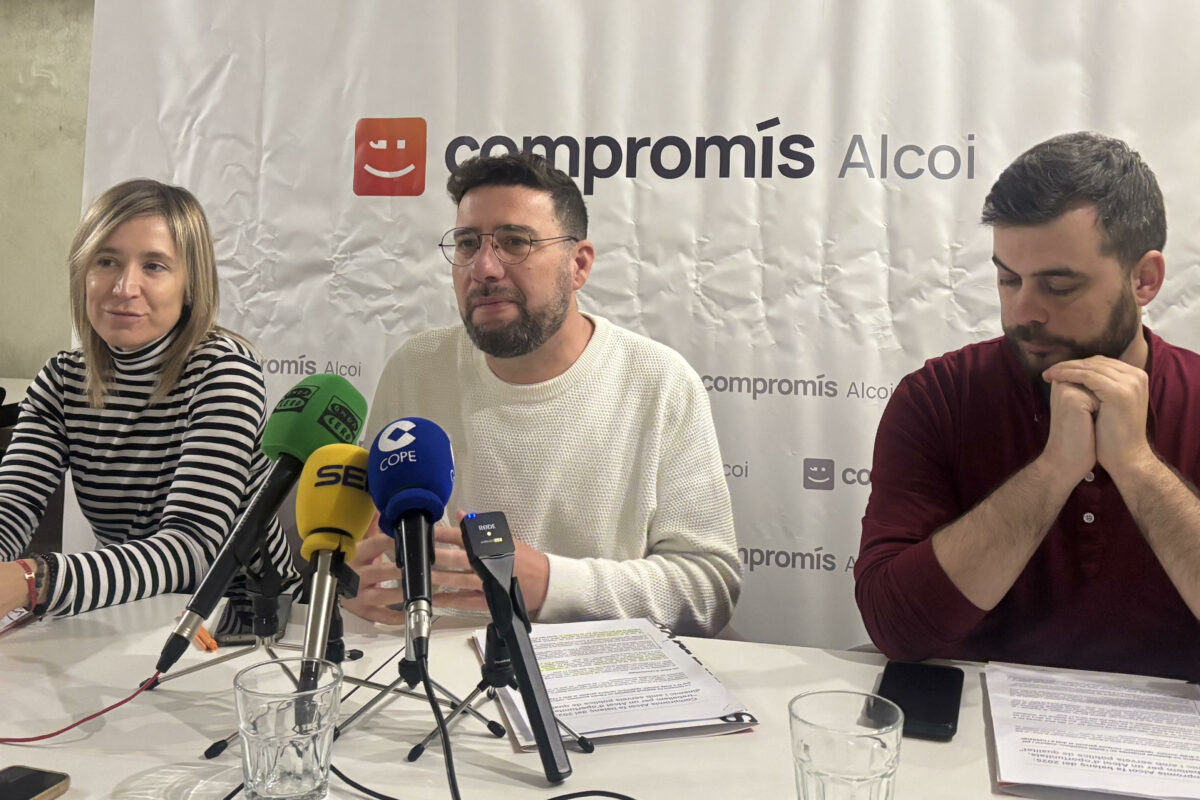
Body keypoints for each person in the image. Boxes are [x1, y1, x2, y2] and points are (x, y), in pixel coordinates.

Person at [343, 152, 740, 637]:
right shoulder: (416, 367)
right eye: (468, 243)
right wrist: (350, 580)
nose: (484, 268)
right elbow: (364, 545)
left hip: (596, 672)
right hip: (427, 665)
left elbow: (709, 587)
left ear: (578, 264)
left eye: (515, 242)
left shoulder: (659, 381)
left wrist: (553, 585)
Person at [855, 132, 1200, 680]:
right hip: (972, 723)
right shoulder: (939, 396)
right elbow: (897, 628)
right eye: (1007, 279)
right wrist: (1053, 471)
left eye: (1058, 286)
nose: (1023, 312)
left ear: (1144, 279)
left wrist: (1137, 466)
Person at [0, 179, 299, 619]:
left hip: (245, 617)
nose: (124, 287)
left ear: (190, 284)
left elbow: (191, 551)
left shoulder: (224, 372)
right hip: (125, 609)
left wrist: (34, 579)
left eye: (154, 266)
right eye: (106, 261)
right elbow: (11, 507)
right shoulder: (62, 379)